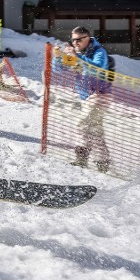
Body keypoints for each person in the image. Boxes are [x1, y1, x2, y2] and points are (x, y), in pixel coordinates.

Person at [54, 26, 111, 172]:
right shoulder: (76, 52)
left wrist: (77, 56)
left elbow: (97, 68)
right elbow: (60, 69)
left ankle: (81, 159)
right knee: (95, 130)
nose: (75, 42)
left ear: (88, 38)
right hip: (86, 97)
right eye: (73, 40)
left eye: (79, 39)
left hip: (99, 95)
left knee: (82, 125)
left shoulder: (99, 52)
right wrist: (58, 57)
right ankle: (102, 163)